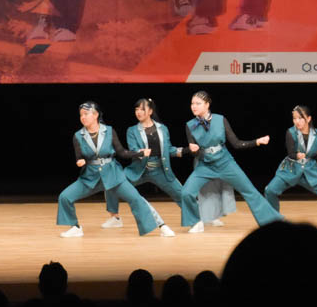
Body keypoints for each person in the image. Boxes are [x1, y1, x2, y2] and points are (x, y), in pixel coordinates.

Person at [57, 101, 174, 237]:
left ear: (95, 115)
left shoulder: (109, 131)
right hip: (90, 177)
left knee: (136, 198)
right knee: (65, 196)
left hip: (113, 175)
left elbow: (122, 152)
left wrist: (139, 153)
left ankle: (162, 226)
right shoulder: (78, 136)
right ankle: (75, 227)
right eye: (81, 115)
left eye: (86, 114)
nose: (83, 117)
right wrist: (80, 161)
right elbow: (79, 157)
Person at [179, 91, 284, 232]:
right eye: (192, 103)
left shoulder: (220, 119)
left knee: (250, 191)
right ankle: (196, 223)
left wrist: (257, 142)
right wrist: (193, 150)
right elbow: (195, 151)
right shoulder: (190, 125)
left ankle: (272, 222)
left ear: (207, 104)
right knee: (186, 192)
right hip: (205, 165)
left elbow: (236, 143)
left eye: (198, 103)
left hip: (225, 162)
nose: (194, 106)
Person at [102, 98, 187, 229]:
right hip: (139, 169)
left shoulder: (162, 129)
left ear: (150, 111)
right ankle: (115, 218)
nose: (138, 112)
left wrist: (185, 150)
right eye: (136, 109)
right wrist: (140, 152)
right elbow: (133, 150)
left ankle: (195, 217)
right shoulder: (132, 130)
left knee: (181, 193)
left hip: (160, 169)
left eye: (142, 109)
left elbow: (169, 149)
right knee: (112, 183)